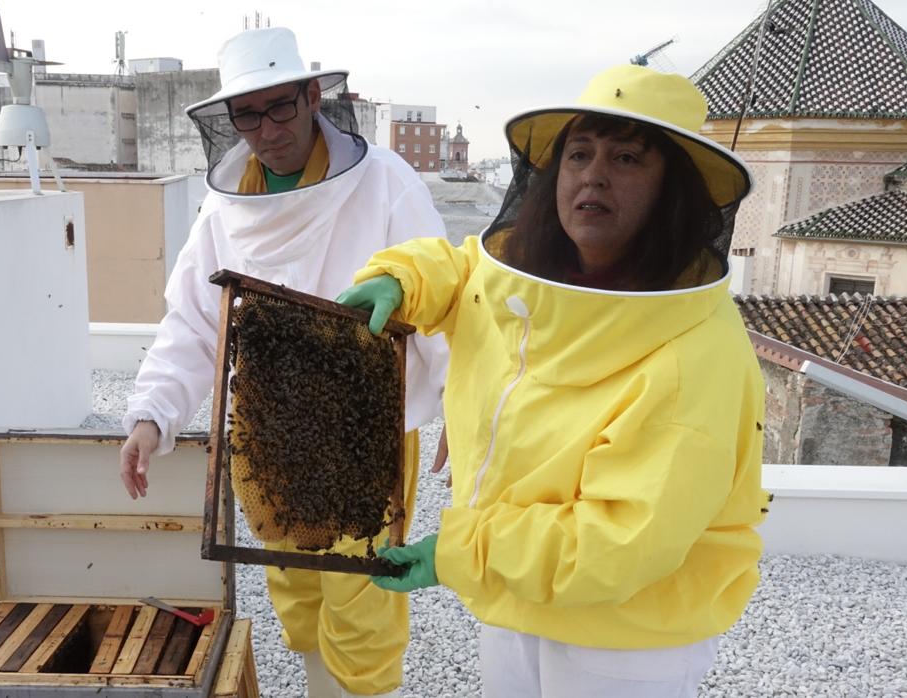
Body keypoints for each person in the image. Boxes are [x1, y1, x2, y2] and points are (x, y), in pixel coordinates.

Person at [337, 64, 769, 697]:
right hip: (517, 594)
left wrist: (458, 554)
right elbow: (467, 274)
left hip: (627, 636)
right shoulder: (533, 276)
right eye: (580, 153)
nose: (593, 174)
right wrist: (403, 278)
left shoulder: (694, 360)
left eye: (626, 158)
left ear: (673, 190)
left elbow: (616, 545)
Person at [118, 27, 450, 698]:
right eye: (248, 114)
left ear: (310, 97)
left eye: (279, 107)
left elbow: (440, 293)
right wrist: (152, 414)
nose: (266, 129)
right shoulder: (222, 207)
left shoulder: (386, 182)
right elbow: (191, 320)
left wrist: (457, 408)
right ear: (230, 121)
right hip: (269, 429)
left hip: (367, 427)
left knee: (363, 592)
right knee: (294, 587)